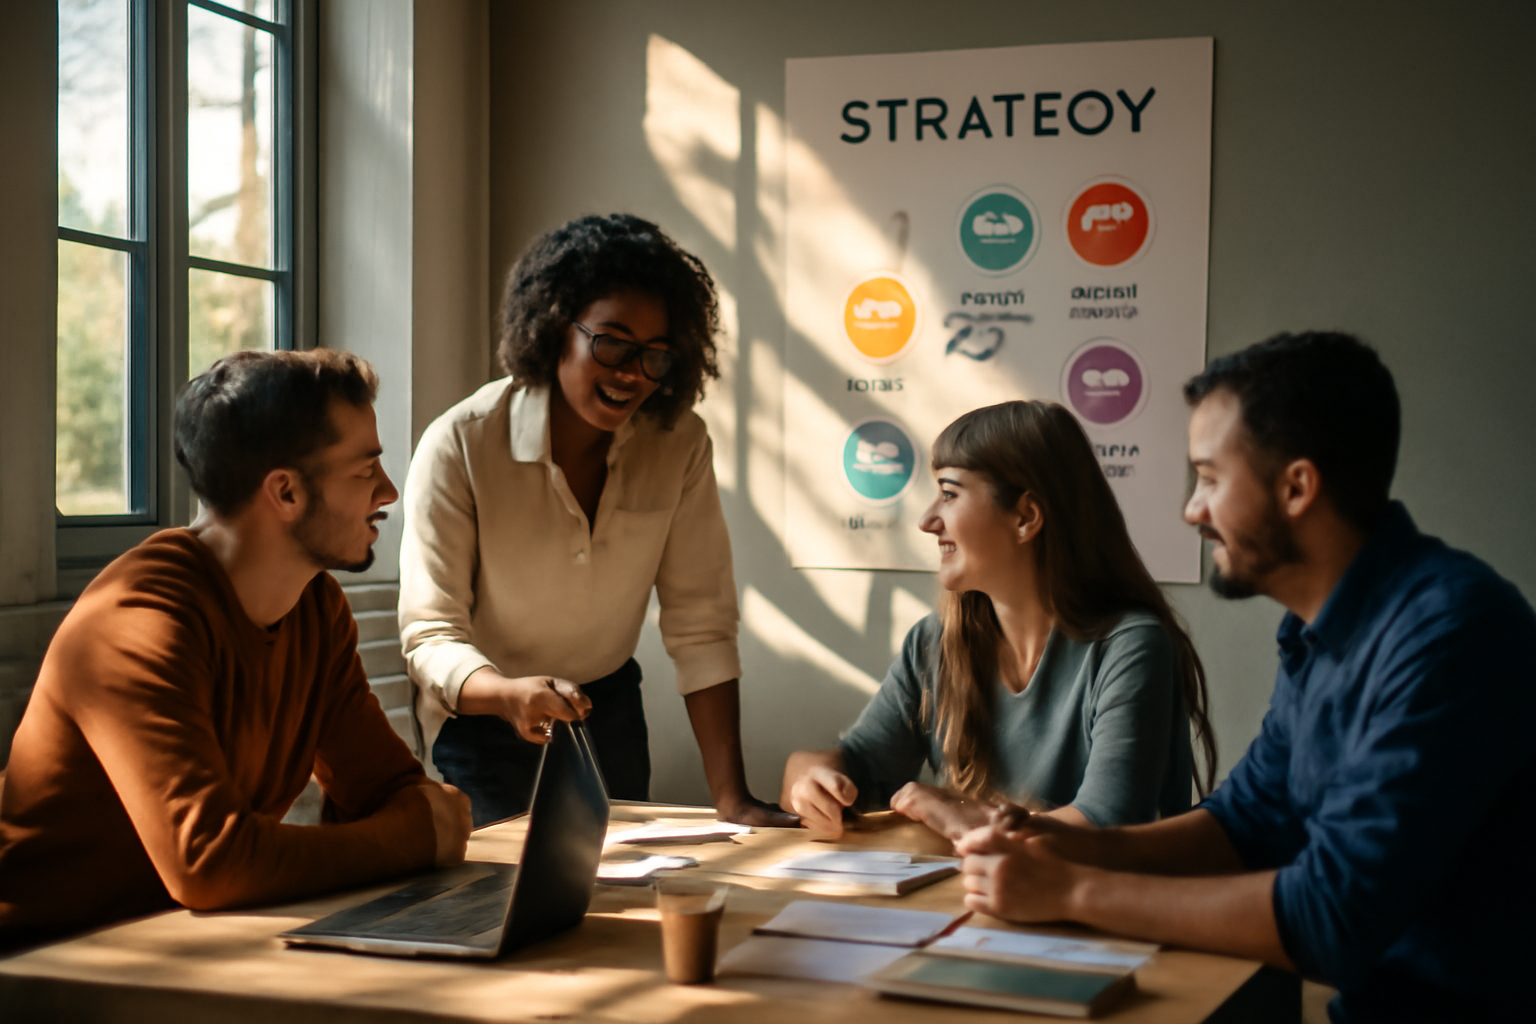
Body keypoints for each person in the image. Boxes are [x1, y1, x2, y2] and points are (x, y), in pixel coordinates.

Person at [956, 332, 1536, 1023]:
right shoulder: (1315, 631)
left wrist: (1072, 892)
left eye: (1208, 479)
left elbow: (1332, 920)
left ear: (1296, 487)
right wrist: (1069, 842)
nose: (1191, 511)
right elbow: (1245, 826)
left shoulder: (1455, 634)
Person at [0, 350, 472, 952]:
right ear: (286, 493)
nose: (388, 491)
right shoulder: (138, 619)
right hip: (47, 966)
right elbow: (209, 861)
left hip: (183, 949)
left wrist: (413, 824)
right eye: (365, 471)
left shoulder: (315, 608)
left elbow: (388, 788)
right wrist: (413, 838)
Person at [400, 213, 790, 828]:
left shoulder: (679, 443)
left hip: (605, 710)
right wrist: (507, 695)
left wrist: (733, 798)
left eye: (656, 356)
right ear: (556, 328)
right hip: (486, 720)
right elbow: (430, 634)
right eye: (611, 343)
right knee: (504, 907)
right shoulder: (461, 443)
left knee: (619, 901)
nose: (632, 373)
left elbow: (701, 625)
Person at [780, 401, 1216, 841]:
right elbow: (854, 763)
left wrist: (968, 816)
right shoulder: (933, 643)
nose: (927, 521)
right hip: (969, 906)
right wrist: (811, 779)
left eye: (949, 494)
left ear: (1026, 517)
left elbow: (1109, 825)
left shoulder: (1131, 647)